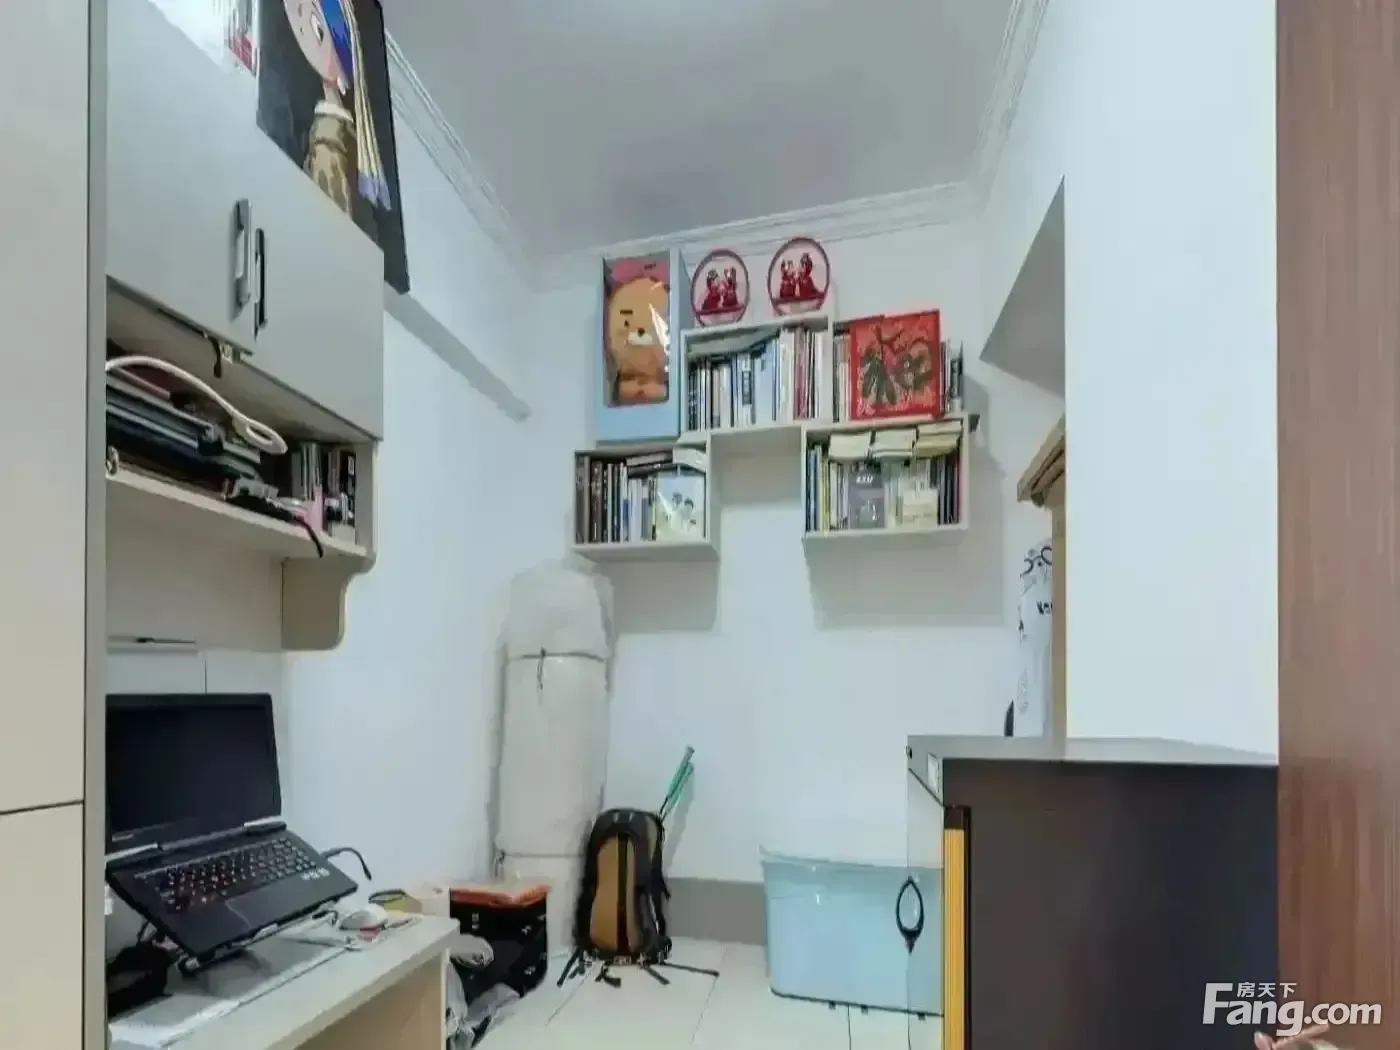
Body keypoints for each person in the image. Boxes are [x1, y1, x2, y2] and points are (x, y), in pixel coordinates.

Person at [281, 0, 393, 215]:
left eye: (317, 28)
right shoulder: (337, 135)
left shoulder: (328, 143)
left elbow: (326, 221)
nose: (301, 27)